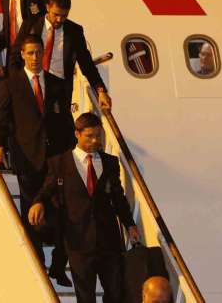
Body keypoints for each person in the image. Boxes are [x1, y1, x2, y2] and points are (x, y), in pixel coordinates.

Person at [29, 112, 140, 303]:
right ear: (77, 134)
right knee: (85, 297)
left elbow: (118, 197)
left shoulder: (110, 163)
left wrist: (130, 225)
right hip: (78, 243)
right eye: (90, 136)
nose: (96, 140)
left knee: (115, 294)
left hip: (109, 240)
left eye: (99, 135)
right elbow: (47, 189)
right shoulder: (59, 162)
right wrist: (37, 202)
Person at [0, 35, 74, 275]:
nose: (36, 58)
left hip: (56, 158)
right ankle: (37, 268)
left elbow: (65, 121)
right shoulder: (10, 85)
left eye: (39, 52)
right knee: (32, 216)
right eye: (31, 53)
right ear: (23, 55)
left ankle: (58, 266)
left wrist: (70, 152)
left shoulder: (57, 84)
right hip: (27, 159)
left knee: (63, 213)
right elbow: (0, 122)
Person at [11, 0, 112, 111]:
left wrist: (100, 90)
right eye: (56, 14)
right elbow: (15, 54)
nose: (59, 20)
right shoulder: (31, 24)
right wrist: (15, 84)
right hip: (31, 86)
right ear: (48, 7)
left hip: (59, 92)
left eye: (64, 16)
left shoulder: (74, 31)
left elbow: (87, 64)